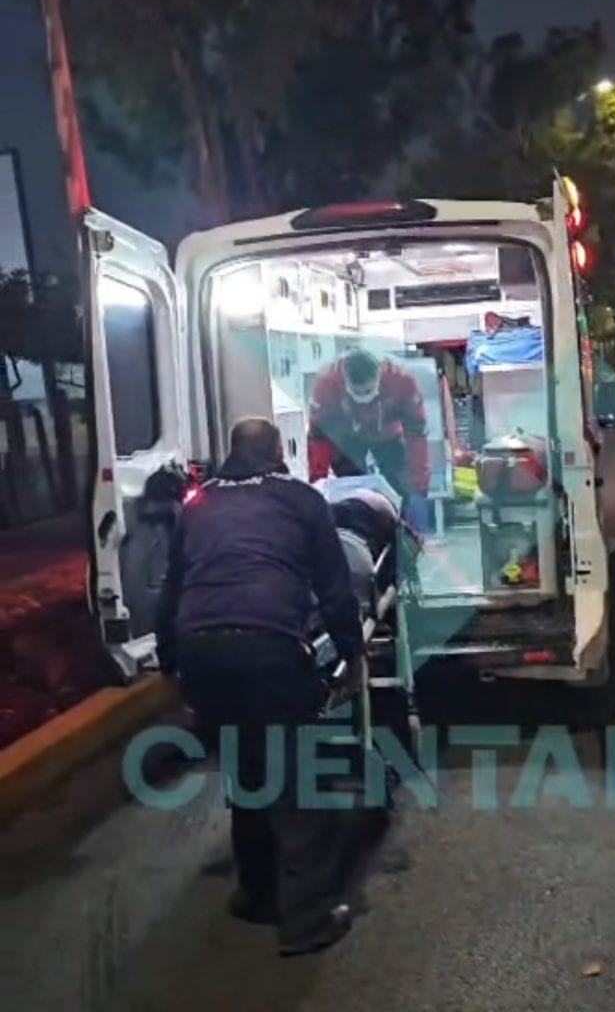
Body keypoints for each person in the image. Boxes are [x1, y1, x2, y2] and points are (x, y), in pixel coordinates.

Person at [155, 417, 366, 956]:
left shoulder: (198, 506)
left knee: (245, 768)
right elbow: (336, 591)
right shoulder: (301, 500)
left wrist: (170, 665)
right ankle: (308, 921)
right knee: (296, 781)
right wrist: (353, 656)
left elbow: (171, 589)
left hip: (201, 649)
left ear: (231, 453)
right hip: (268, 648)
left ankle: (257, 893)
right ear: (279, 454)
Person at [307, 348, 431, 531]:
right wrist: (318, 486)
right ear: (345, 381)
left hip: (388, 434)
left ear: (380, 375)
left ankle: (403, 533)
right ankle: (360, 533)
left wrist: (420, 486)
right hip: (346, 437)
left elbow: (417, 433)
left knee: (401, 487)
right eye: (357, 392)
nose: (364, 397)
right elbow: (318, 438)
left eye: (368, 390)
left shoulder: (402, 380)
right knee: (352, 492)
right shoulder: (327, 384)